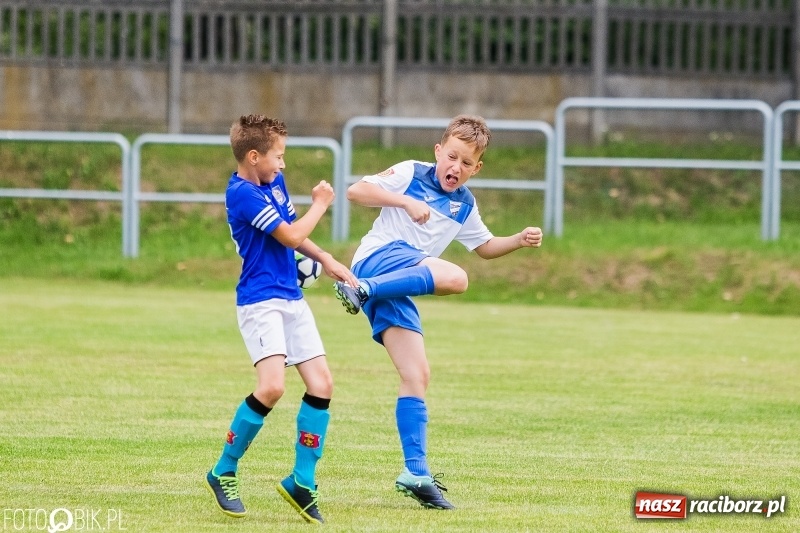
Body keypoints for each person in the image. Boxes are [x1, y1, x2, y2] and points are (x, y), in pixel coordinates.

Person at [334, 114, 543, 510]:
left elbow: (484, 246)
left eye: (466, 163)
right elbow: (355, 191)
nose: (456, 168)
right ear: (438, 151)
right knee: (457, 278)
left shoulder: (464, 204)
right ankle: (360, 288)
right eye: (452, 157)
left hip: (399, 282)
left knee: (417, 375)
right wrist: (405, 200)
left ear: (477, 168)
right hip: (378, 260)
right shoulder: (410, 172)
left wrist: (517, 240)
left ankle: (414, 472)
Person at [205, 114, 359, 524]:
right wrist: (322, 204)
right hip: (260, 302)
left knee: (322, 383)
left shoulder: (271, 183)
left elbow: (292, 234)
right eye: (279, 157)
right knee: (272, 387)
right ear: (253, 157)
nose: (283, 164)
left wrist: (324, 258)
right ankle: (223, 469)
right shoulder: (241, 194)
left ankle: (302, 482)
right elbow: (289, 236)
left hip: (291, 297)